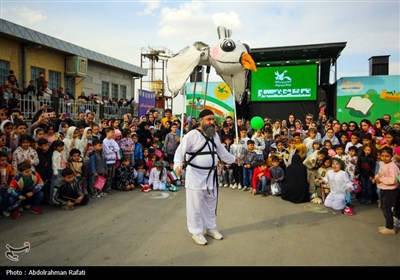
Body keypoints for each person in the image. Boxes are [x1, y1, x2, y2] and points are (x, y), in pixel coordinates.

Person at [174, 109, 236, 246]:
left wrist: (234, 159)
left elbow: (222, 152)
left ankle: (210, 227)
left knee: (211, 202)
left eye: (213, 119)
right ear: (201, 120)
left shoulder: (214, 135)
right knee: (195, 204)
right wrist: (177, 166)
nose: (212, 122)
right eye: (209, 119)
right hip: (195, 175)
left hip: (210, 176)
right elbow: (180, 151)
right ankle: (196, 232)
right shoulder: (191, 135)